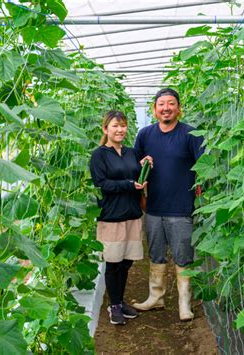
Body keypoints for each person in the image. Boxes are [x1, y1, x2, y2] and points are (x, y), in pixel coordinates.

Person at [132, 88, 204, 321]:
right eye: (161, 104)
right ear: (154, 110)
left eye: (171, 103)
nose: (166, 108)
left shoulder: (191, 134)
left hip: (182, 207)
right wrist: (141, 167)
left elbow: (204, 167)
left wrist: (201, 193)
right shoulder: (145, 135)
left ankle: (185, 303)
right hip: (153, 207)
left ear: (178, 108)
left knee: (183, 255)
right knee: (156, 254)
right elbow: (135, 166)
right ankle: (156, 297)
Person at [89, 110, 146, 326]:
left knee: (127, 261)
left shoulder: (131, 153)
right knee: (113, 263)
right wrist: (129, 185)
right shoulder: (99, 155)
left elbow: (137, 175)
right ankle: (113, 306)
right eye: (115, 126)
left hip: (132, 214)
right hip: (111, 216)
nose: (120, 129)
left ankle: (120, 301)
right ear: (105, 129)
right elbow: (101, 184)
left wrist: (145, 169)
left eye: (123, 126)